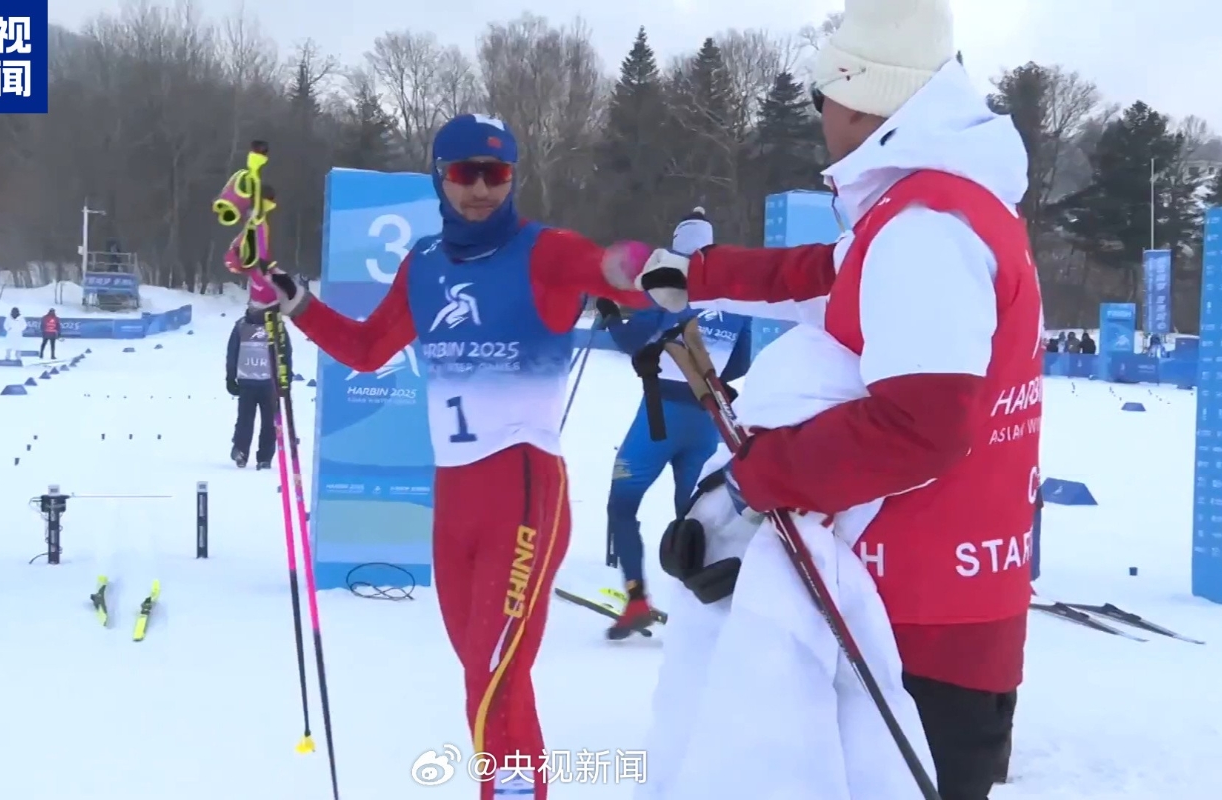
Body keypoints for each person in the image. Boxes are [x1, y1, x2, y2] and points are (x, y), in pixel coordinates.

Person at [616, 1, 1042, 798]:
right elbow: (824, 274)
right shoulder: (940, 206)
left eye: (820, 97)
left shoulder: (926, 228)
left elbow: (921, 429)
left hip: (914, 626)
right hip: (934, 613)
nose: (819, 118)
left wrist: (757, 477)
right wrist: (699, 276)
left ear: (857, 96)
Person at [263, 114, 651, 800]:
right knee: (482, 673)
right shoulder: (424, 263)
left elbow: (611, 273)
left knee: (497, 672)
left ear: (513, 177)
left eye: (495, 174)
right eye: (464, 173)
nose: (480, 189)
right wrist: (298, 303)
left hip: (524, 489)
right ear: (440, 176)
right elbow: (368, 349)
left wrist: (637, 270)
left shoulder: (545, 251)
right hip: (455, 499)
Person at [598, 207, 751, 639]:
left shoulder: (666, 282)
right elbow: (739, 363)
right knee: (695, 517)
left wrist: (610, 315)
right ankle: (704, 612)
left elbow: (632, 340)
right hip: (706, 418)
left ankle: (637, 600)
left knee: (622, 504)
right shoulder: (732, 296)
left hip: (659, 416)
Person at [225, 306, 288, 469]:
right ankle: (240, 451)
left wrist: (285, 378)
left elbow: (285, 353)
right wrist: (230, 377)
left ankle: (265, 458)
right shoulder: (241, 326)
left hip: (270, 383)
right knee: (245, 420)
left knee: (270, 423)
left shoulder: (277, 326)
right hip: (247, 382)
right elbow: (232, 352)